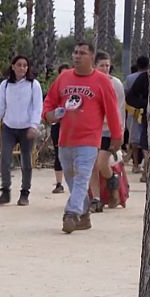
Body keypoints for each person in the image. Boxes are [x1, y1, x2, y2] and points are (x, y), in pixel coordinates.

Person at [42, 42, 122, 234]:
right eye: (75, 52)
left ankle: (71, 213)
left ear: (91, 58)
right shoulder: (63, 78)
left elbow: (112, 111)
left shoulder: (102, 81)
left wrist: (117, 136)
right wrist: (50, 115)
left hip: (89, 140)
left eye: (82, 53)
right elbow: (49, 104)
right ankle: (84, 212)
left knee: (82, 177)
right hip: (65, 139)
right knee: (70, 176)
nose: (77, 56)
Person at [0, 55, 43, 206]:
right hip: (9, 128)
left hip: (26, 128)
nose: (22, 68)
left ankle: (25, 192)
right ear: (13, 66)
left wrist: (34, 125)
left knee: (26, 162)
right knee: (5, 159)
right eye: (19, 65)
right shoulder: (5, 85)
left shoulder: (34, 85)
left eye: (25, 66)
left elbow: (37, 107)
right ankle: (5, 191)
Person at [88, 51, 125, 211]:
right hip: (92, 130)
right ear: (94, 66)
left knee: (101, 163)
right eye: (102, 66)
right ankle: (96, 199)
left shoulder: (115, 84)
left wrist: (120, 132)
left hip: (109, 131)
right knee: (91, 166)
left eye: (107, 66)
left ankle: (114, 184)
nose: (105, 69)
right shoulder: (89, 82)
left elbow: (120, 109)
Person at [124, 56, 149, 176]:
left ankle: (135, 164)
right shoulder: (146, 77)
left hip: (133, 111)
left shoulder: (130, 78)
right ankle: (146, 167)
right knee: (145, 139)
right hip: (144, 111)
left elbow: (127, 94)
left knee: (134, 137)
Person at [50, 63, 71, 194]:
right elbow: (48, 105)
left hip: (73, 125)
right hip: (58, 124)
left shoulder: (76, 88)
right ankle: (59, 183)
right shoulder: (55, 88)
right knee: (59, 154)